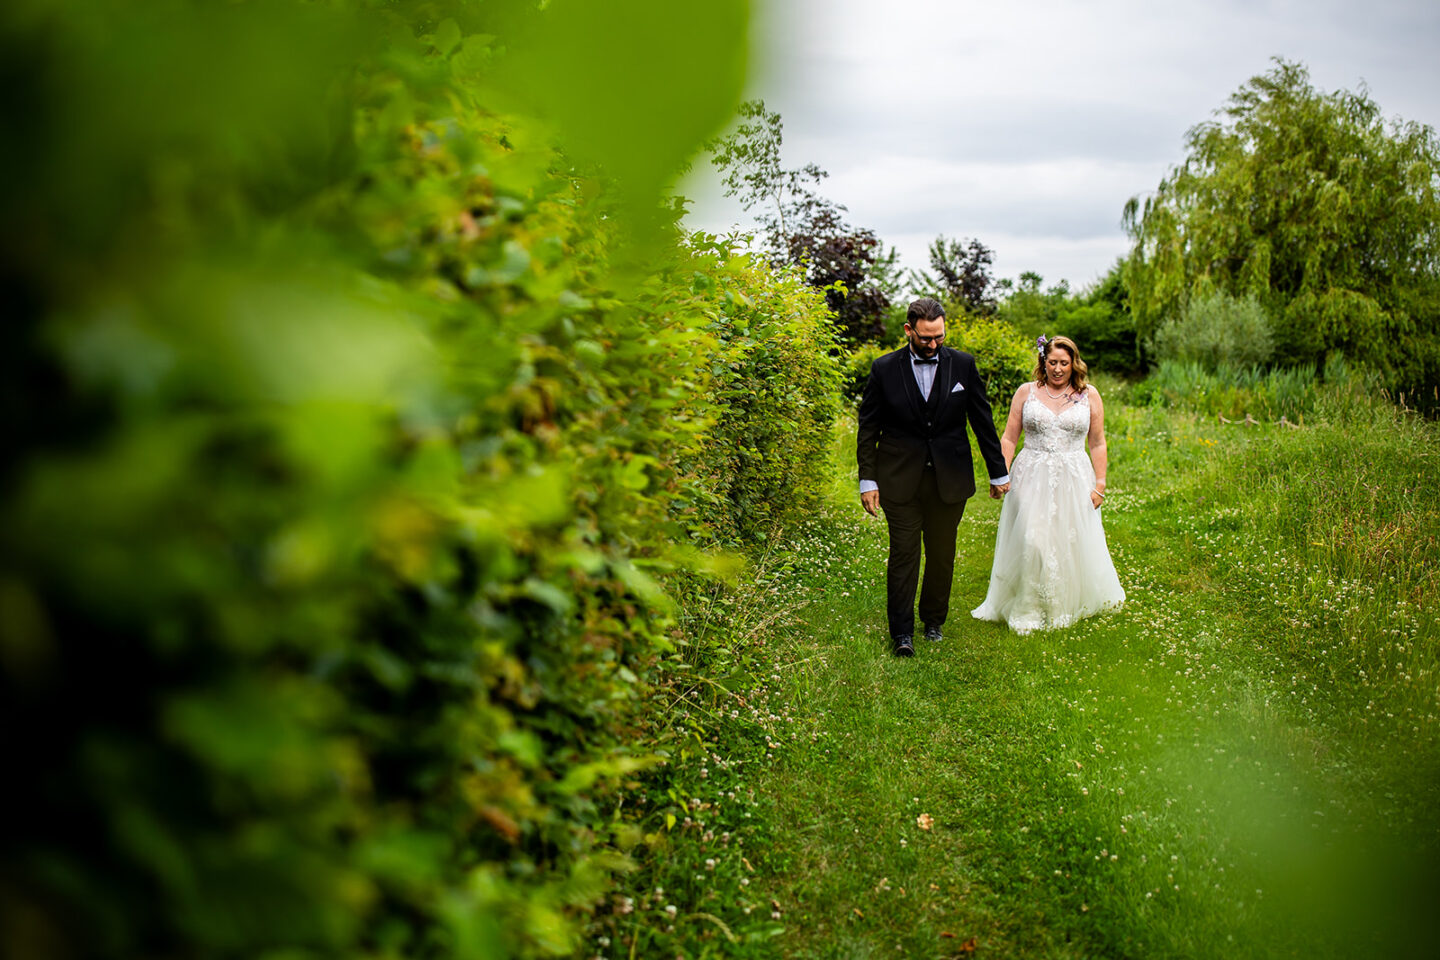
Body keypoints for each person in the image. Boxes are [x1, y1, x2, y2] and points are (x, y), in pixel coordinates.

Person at [857, 298, 1011, 657]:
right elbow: (868, 428)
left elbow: (982, 422)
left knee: (942, 554)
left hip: (950, 478)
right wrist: (868, 480)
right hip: (898, 479)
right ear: (909, 330)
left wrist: (997, 471)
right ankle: (902, 633)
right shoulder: (883, 369)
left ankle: (933, 621)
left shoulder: (963, 364)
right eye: (925, 338)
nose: (933, 344)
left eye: (939, 337)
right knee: (904, 554)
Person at [971, 335, 1124, 633]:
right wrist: (999, 474)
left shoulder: (1089, 395)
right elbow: (1009, 437)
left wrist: (1100, 483)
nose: (1057, 369)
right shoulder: (1026, 392)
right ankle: (1028, 605)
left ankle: (1061, 605)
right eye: (1052, 362)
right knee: (1032, 538)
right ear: (1044, 361)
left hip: (1074, 475)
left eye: (1064, 363)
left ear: (1074, 363)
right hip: (1031, 473)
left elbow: (1097, 443)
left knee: (1067, 539)